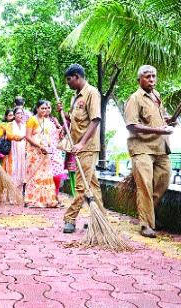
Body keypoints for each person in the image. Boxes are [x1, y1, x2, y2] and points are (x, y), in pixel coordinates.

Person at [124, 65, 174, 238]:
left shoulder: (157, 96)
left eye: (154, 76)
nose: (151, 79)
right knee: (144, 186)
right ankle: (146, 224)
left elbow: (156, 118)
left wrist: (167, 122)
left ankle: (148, 216)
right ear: (139, 79)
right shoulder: (135, 98)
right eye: (147, 76)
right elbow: (131, 125)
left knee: (164, 181)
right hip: (142, 148)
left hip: (161, 147)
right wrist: (161, 130)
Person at [57, 64, 106, 233]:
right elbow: (73, 121)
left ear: (77, 76)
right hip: (77, 146)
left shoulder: (92, 93)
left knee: (80, 185)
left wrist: (82, 143)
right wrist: (62, 113)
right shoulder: (75, 97)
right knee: (92, 184)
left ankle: (70, 218)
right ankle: (101, 220)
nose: (68, 83)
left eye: (69, 79)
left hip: (87, 147)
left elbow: (95, 120)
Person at [25, 100, 57, 208]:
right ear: (37, 108)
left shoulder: (47, 121)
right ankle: (32, 200)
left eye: (46, 108)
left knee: (46, 175)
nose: (44, 110)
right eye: (42, 108)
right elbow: (28, 136)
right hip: (34, 152)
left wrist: (47, 147)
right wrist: (39, 146)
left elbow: (49, 137)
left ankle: (47, 200)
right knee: (35, 175)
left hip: (45, 152)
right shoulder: (32, 120)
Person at [0, 107, 26, 199]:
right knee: (12, 170)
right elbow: (9, 135)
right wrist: (19, 137)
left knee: (21, 172)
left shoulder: (24, 125)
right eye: (17, 113)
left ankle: (18, 195)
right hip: (13, 150)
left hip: (21, 151)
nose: (20, 115)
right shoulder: (10, 124)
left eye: (21, 113)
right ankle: (10, 196)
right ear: (14, 115)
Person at [45, 102, 67, 205]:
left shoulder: (54, 120)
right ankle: (46, 197)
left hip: (56, 149)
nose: (47, 110)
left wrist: (61, 129)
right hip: (44, 150)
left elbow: (62, 131)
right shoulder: (37, 120)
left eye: (49, 107)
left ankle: (56, 195)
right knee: (46, 174)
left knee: (57, 174)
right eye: (44, 108)